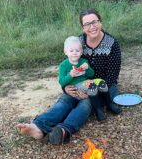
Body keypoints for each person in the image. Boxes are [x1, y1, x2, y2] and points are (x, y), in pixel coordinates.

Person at [16, 8, 122, 145]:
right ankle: (37, 127)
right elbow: (67, 67)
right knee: (65, 101)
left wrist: (90, 92)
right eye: (87, 24)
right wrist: (66, 87)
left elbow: (112, 77)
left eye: (94, 22)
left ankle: (63, 130)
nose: (92, 26)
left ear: (100, 21)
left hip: (101, 88)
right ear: (82, 27)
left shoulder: (112, 43)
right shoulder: (77, 42)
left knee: (85, 105)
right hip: (78, 83)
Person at [60, 35, 119, 121]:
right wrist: (71, 75)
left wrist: (87, 68)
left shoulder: (83, 61)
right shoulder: (64, 65)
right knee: (91, 85)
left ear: (81, 52)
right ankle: (98, 110)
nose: (74, 53)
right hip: (76, 88)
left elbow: (91, 75)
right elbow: (61, 81)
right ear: (66, 52)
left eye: (77, 50)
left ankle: (109, 104)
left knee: (101, 82)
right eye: (71, 50)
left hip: (85, 83)